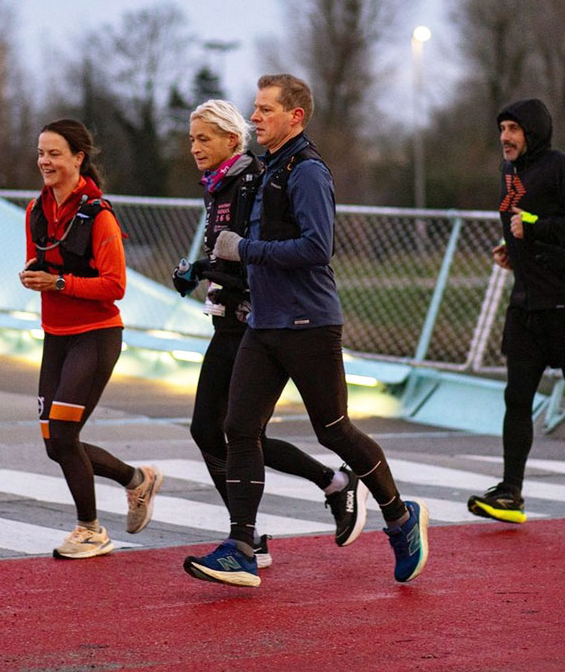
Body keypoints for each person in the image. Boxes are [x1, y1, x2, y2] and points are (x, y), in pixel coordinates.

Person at [183, 75, 429, 588]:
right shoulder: (268, 169)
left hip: (309, 324)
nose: (255, 118)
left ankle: (401, 518)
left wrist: (244, 250)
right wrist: (212, 268)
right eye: (254, 108)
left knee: (333, 429)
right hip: (263, 323)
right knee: (239, 430)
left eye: (265, 110)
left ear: (295, 116)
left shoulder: (308, 171)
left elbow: (318, 248)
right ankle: (243, 548)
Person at [173, 99, 368, 568]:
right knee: (230, 431)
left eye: (204, 138)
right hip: (230, 318)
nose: (195, 147)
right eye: (191, 138)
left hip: (256, 322)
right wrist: (202, 270)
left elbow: (258, 258)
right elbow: (231, 256)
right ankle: (329, 487)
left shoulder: (248, 181)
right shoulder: (217, 185)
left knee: (235, 431)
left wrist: (208, 268)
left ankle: (248, 538)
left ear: (230, 140)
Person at [20, 118, 162, 558]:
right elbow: (38, 263)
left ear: (78, 158)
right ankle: (136, 480)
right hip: (55, 337)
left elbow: (115, 285)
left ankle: (91, 530)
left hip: (96, 336)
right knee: (55, 443)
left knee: (64, 434)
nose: (45, 161)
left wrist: (60, 285)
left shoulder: (98, 214)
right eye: (41, 153)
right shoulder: (35, 210)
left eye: (55, 153)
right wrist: (33, 278)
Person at [468, 99, 565, 524]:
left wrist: (536, 230)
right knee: (516, 397)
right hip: (526, 301)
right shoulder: (511, 171)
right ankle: (510, 493)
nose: (505, 137)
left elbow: (543, 222)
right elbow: (519, 222)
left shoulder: (558, 167)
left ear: (534, 131)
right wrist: (514, 250)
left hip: (561, 305)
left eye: (514, 129)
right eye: (503, 128)